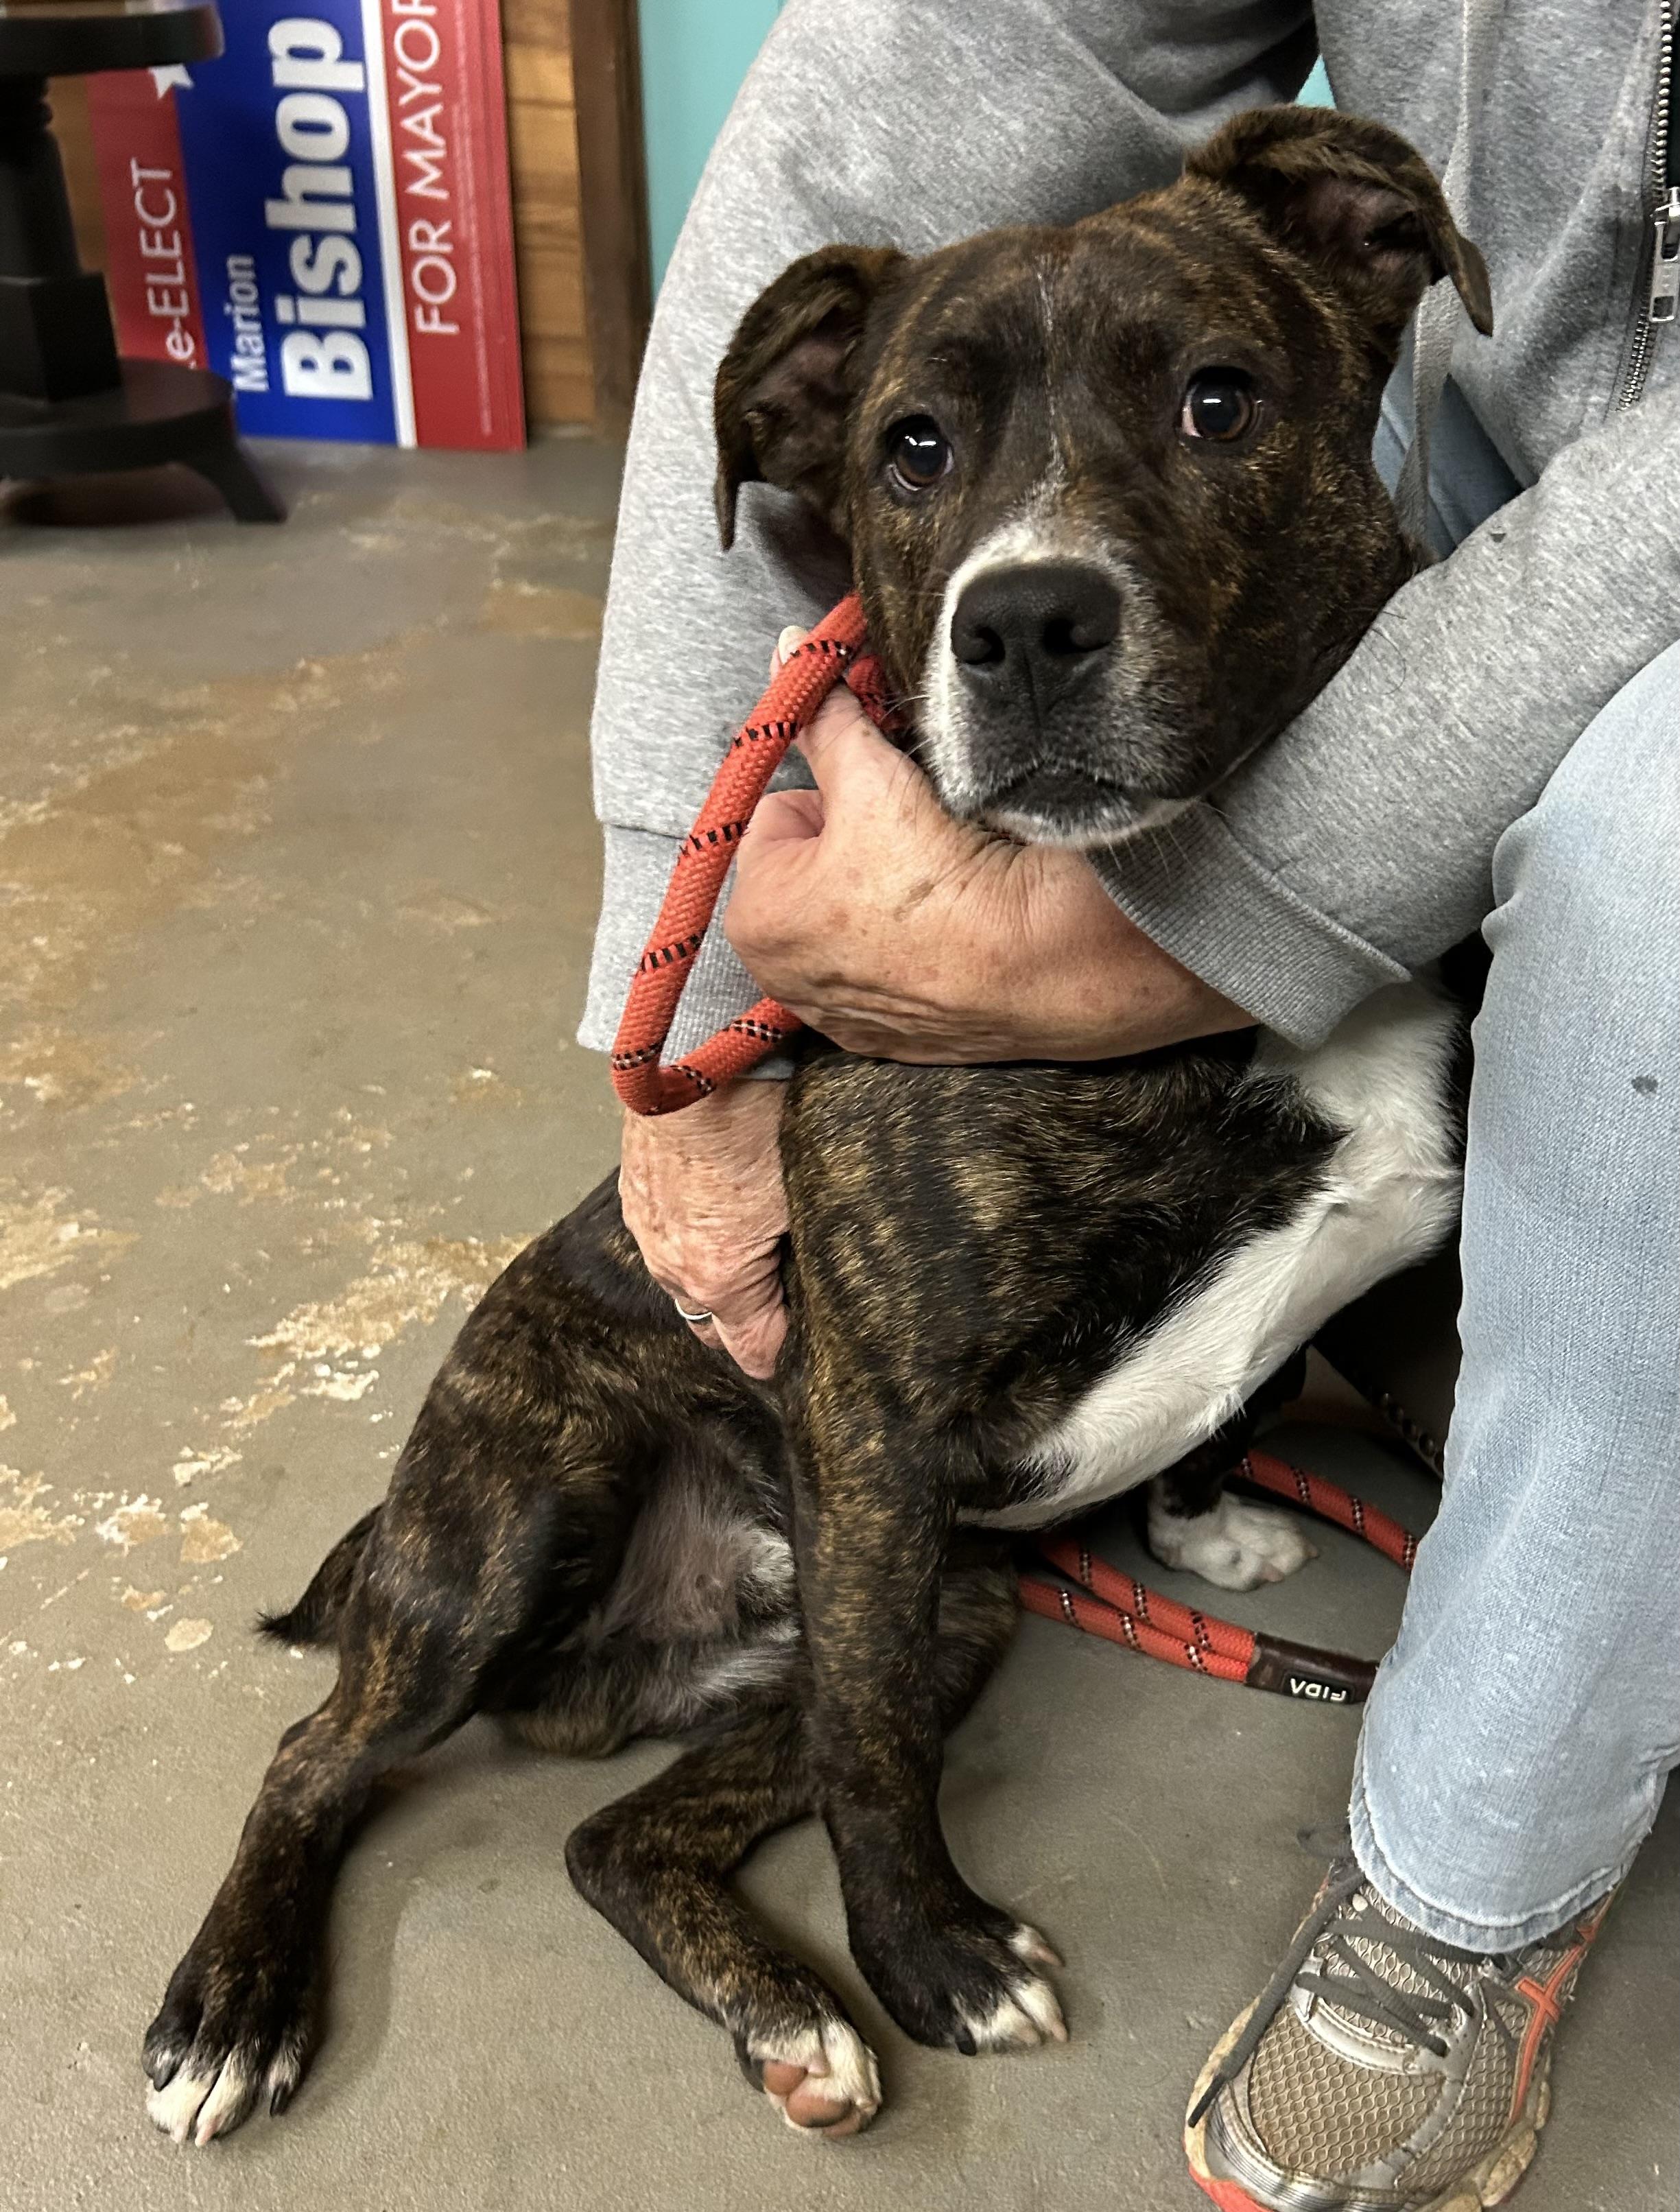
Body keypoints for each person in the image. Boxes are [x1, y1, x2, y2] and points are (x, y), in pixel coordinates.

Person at [578, 5, 1680, 2206]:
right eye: (914, 456)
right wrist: (669, 997)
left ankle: (1474, 1851)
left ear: (1370, 266)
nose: (1025, 577)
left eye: (1206, 400)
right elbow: (931, 61)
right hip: (1489, 455)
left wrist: (1223, 917)